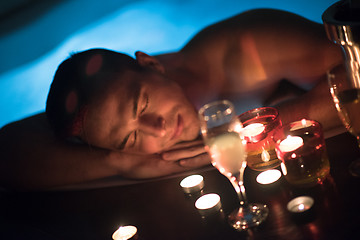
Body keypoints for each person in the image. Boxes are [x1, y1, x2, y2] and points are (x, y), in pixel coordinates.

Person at [0, 9, 344, 191]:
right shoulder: (101, 125)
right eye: (131, 138)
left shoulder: (245, 47)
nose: (158, 128)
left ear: (151, 64)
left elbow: (355, 70)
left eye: (143, 105)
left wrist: (249, 133)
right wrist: (120, 163)